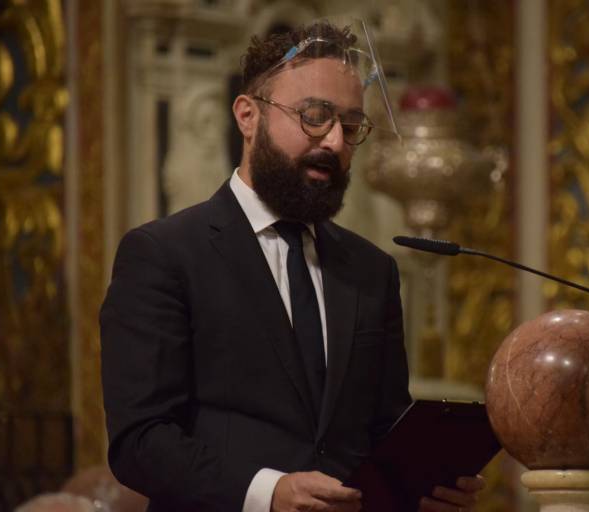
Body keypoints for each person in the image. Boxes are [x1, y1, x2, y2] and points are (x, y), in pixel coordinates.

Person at [100, 21, 484, 512]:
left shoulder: (372, 271)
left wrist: (420, 485)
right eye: (315, 117)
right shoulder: (164, 254)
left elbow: (382, 433)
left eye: (351, 126)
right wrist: (269, 493)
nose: (335, 142)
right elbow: (140, 442)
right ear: (248, 116)